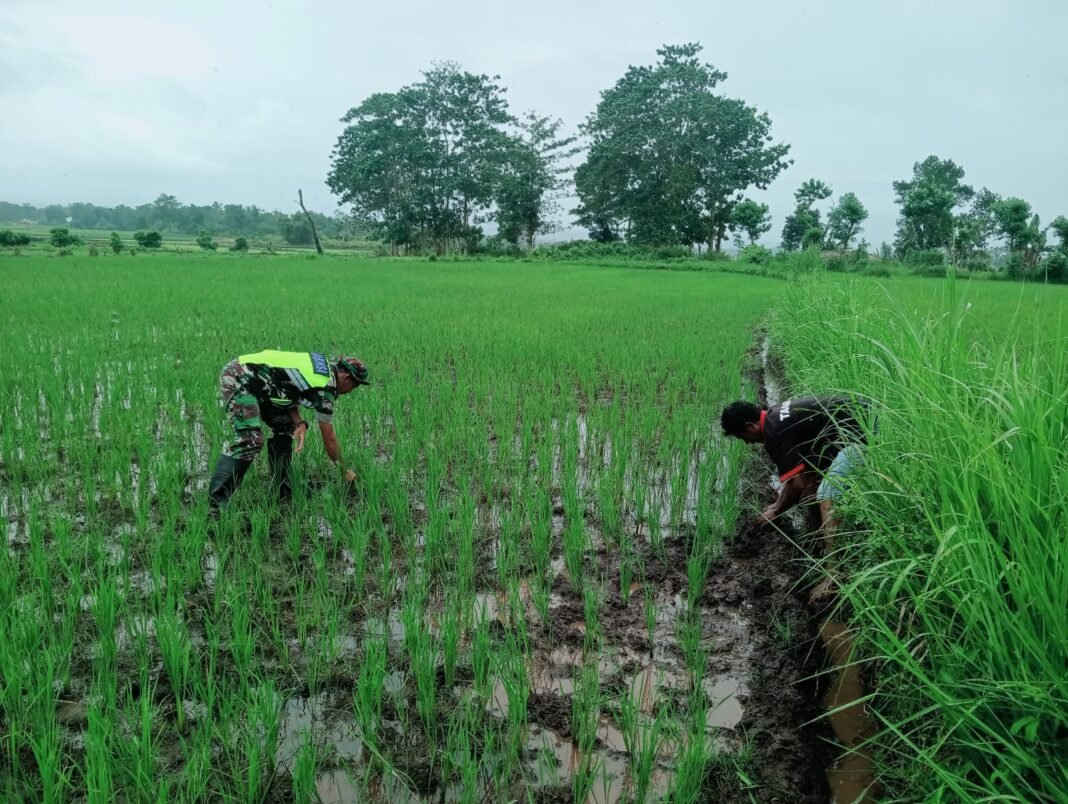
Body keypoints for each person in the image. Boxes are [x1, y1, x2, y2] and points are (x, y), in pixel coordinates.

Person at [208, 350, 369, 511]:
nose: (349, 392)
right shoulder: (326, 388)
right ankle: (216, 504)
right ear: (346, 377)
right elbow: (329, 439)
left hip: (257, 380)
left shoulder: (322, 367)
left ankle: (281, 487)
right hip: (239, 378)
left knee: (284, 426)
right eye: (353, 386)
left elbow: (288, 389)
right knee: (250, 440)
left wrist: (299, 422)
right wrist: (344, 470)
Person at [720, 395, 872, 535]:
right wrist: (777, 503)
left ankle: (831, 558)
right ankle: (816, 537)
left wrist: (776, 511)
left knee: (827, 493)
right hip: (859, 420)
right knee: (812, 484)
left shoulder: (773, 432)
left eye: (743, 437)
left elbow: (796, 485)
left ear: (750, 427)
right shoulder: (774, 415)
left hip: (867, 429)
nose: (747, 442)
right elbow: (804, 477)